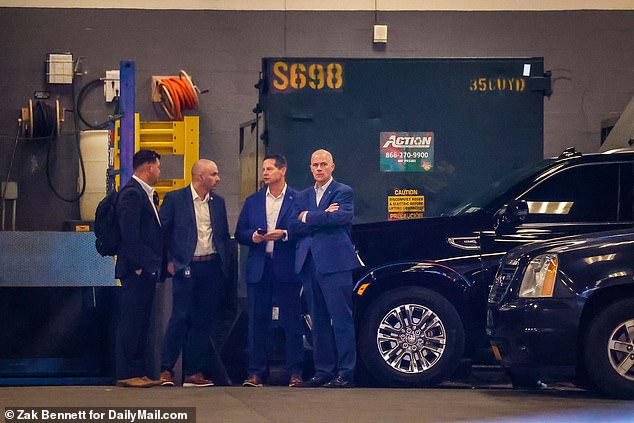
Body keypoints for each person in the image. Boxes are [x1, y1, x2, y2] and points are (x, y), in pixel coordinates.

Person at [290, 149, 360, 388]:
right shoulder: (302, 195)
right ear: (310, 167)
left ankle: (346, 372)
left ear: (332, 166)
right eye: (315, 165)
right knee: (317, 320)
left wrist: (307, 217)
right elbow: (292, 226)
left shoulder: (343, 191)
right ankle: (323, 371)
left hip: (335, 264)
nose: (319, 168)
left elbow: (340, 219)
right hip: (309, 264)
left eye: (323, 164)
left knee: (341, 319)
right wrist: (319, 216)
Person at [158, 159, 230, 387]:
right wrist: (168, 261)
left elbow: (222, 235)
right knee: (180, 317)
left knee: (202, 321)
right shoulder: (175, 199)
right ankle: (166, 369)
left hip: (210, 266)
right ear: (201, 177)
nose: (218, 179)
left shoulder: (218, 203)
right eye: (214, 174)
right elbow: (162, 232)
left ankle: (193, 372)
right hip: (186, 266)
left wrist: (224, 263)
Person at [235, 154, 304, 387]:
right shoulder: (252, 201)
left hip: (286, 267)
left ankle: (296, 372)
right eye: (263, 169)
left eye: (270, 168)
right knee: (257, 321)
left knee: (292, 321)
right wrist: (252, 236)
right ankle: (256, 372)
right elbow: (240, 232)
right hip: (259, 266)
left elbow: (304, 229)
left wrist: (284, 234)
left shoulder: (298, 199)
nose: (265, 173)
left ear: (282, 170)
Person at [115, 149, 164, 388]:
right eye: (158, 166)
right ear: (149, 167)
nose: (159, 171)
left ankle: (138, 370)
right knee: (131, 320)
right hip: (136, 270)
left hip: (146, 270)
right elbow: (130, 234)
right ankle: (127, 372)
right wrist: (138, 266)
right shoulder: (132, 194)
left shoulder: (147, 195)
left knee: (142, 320)